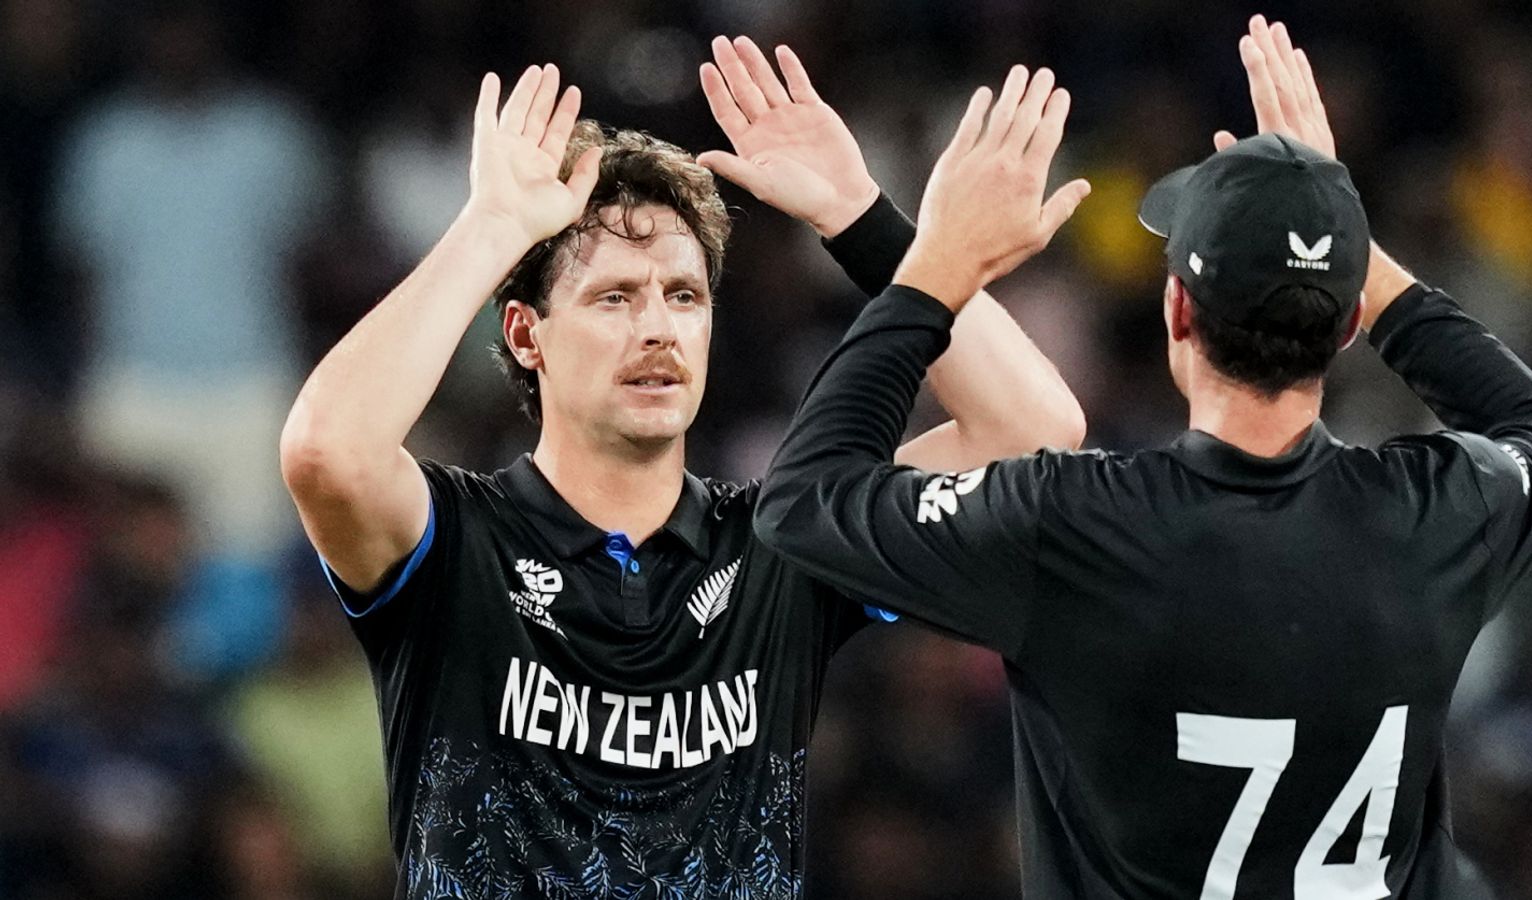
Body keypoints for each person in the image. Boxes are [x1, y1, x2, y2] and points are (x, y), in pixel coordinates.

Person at [754, 16, 1532, 900]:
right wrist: (1339, 237)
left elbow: (803, 500)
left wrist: (929, 262)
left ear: (1177, 311)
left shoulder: (1073, 523)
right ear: (1350, 325)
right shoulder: (1441, 512)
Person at [279, 39, 1085, 898]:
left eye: (684, 296)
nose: (658, 329)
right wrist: (492, 230)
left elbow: (1033, 432)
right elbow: (329, 452)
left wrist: (860, 217)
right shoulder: (455, 540)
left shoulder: (786, 545)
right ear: (525, 335)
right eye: (614, 297)